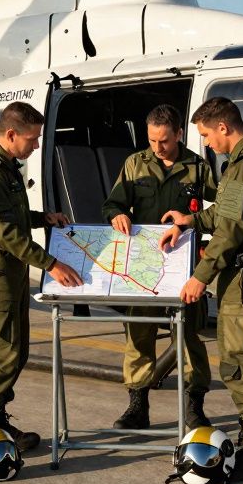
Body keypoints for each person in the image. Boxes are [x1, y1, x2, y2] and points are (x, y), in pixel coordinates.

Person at [159, 96, 243, 482]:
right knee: (241, 357)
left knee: (242, 360)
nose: (206, 143)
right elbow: (226, 213)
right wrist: (190, 220)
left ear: (223, 127)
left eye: (205, 135)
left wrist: (200, 276)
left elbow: (229, 231)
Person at [0, 101, 82, 452]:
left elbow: (10, 217)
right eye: (32, 139)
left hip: (9, 265)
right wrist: (51, 264)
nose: (36, 145)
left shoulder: (6, 168)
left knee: (16, 349)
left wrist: (43, 218)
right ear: (12, 134)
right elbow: (3, 232)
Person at [99, 104, 216, 431]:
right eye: (152, 140)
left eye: (164, 141)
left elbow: (223, 205)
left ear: (179, 134)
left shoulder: (197, 167)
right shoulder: (135, 164)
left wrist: (198, 228)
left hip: (183, 267)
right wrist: (116, 215)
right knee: (138, 334)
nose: (157, 147)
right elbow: (113, 203)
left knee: (188, 336)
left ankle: (194, 406)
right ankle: (138, 406)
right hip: (143, 267)